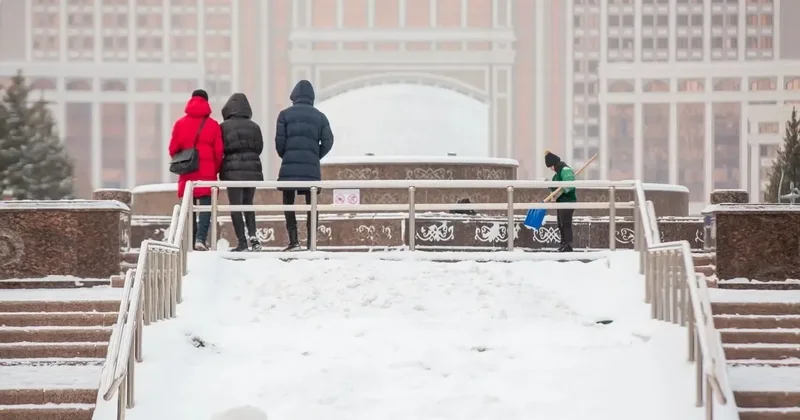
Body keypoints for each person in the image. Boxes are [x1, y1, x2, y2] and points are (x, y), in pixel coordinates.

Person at [275, 80, 334, 251]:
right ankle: (311, 242)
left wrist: (286, 155)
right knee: (312, 203)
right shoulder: (320, 117)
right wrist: (315, 155)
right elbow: (329, 141)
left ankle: (293, 241)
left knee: (288, 201)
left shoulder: (284, 115)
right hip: (311, 169)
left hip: (289, 166)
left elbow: (279, 142)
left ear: (294, 96)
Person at [169, 89, 223, 251]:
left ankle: (191, 241)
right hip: (207, 172)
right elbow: (219, 152)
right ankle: (200, 239)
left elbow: (173, 149)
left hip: (188, 171)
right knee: (206, 207)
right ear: (207, 103)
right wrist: (215, 169)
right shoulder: (213, 125)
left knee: (188, 206)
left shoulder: (180, 124)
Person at [220, 92, 264, 252]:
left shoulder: (224, 127)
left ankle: (242, 242)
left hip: (233, 171)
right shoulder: (254, 126)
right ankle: (253, 235)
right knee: (248, 203)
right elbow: (259, 147)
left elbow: (221, 148)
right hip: (252, 170)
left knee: (235, 205)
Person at [545, 149, 577, 252]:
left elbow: (569, 186)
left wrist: (559, 192)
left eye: (550, 167)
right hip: (560, 202)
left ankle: (568, 245)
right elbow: (555, 188)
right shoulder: (557, 174)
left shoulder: (565, 170)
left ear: (554, 164)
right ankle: (563, 243)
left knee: (566, 223)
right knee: (561, 224)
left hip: (568, 201)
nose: (551, 169)